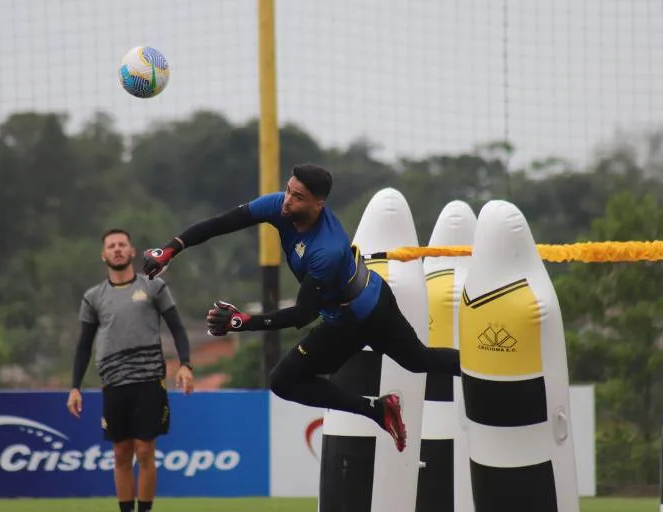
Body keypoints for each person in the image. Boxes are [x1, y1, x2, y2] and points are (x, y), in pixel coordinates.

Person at [141, 164, 460, 452]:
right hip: (355, 304)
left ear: (317, 204)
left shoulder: (326, 251)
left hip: (363, 314)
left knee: (416, 361)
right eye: (289, 190)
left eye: (298, 197)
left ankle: (483, 369)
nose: (287, 200)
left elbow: (303, 314)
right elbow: (220, 224)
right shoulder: (277, 206)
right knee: (290, 381)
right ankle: (380, 410)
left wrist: (242, 322)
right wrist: (170, 250)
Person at [67, 228, 194, 512]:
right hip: (113, 382)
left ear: (132, 251)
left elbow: (177, 328)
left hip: (149, 380)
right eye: (111, 246)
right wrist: (75, 386)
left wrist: (185, 365)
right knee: (121, 453)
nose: (117, 249)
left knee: (145, 450)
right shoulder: (94, 297)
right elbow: (83, 345)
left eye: (122, 244)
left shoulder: (153, 286)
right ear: (104, 254)